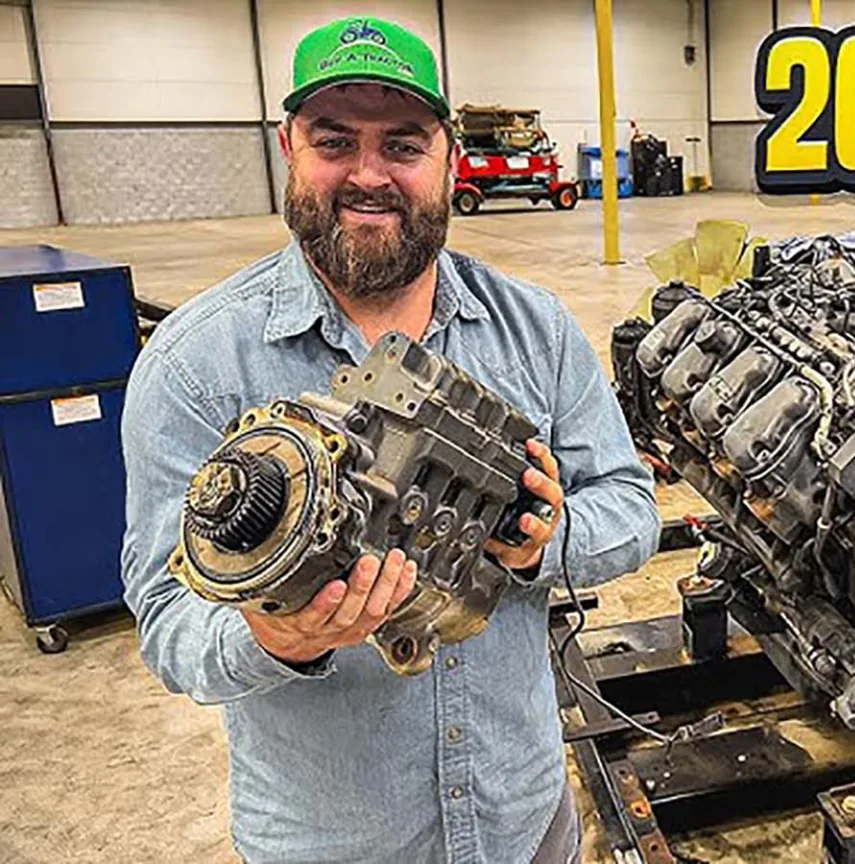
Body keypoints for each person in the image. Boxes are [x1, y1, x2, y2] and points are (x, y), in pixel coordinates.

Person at [119, 16, 660, 864]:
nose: (369, 175)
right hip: (335, 844)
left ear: (448, 159)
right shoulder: (196, 364)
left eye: (403, 145)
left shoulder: (536, 331)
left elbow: (630, 506)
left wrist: (538, 546)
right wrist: (272, 637)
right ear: (289, 147)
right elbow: (166, 618)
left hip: (524, 822)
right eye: (336, 141)